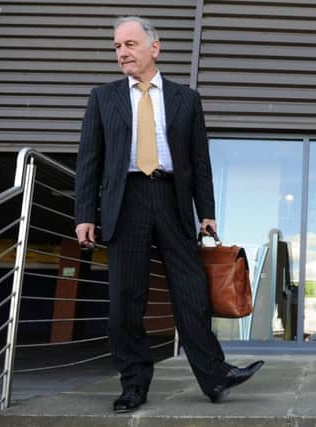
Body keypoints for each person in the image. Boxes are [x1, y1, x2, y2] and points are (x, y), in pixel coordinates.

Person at [74, 16, 263, 412]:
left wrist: (206, 211)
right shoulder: (102, 97)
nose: (122, 52)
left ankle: (215, 376)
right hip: (124, 202)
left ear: (154, 48)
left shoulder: (185, 98)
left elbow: (199, 161)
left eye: (129, 44)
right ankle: (134, 385)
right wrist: (84, 214)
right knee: (126, 298)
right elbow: (90, 161)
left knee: (192, 291)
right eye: (117, 47)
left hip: (171, 199)